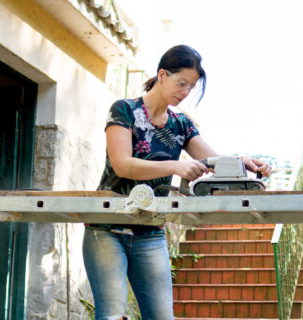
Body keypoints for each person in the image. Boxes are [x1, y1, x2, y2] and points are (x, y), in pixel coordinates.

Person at [83, 44, 272, 320]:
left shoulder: (181, 124)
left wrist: (241, 162)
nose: (185, 93)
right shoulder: (124, 110)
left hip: (151, 231)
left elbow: (212, 160)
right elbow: (122, 164)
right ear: (162, 75)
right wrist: (175, 166)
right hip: (107, 229)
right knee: (112, 316)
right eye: (181, 83)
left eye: (191, 87)